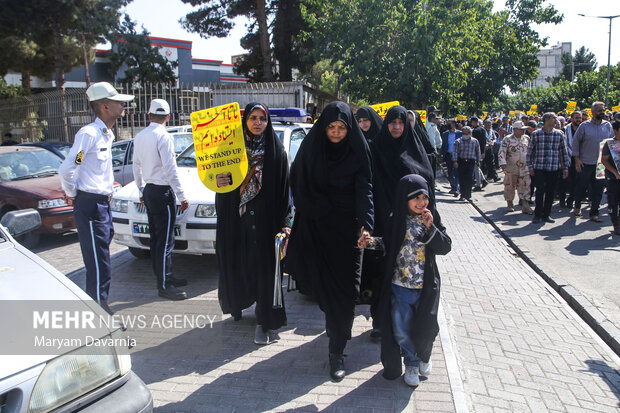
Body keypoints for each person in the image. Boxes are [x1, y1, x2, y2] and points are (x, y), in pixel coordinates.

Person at [287, 101, 373, 381]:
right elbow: (298, 183)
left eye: (341, 128)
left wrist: (366, 225)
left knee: (347, 293)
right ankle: (334, 328)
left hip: (349, 234)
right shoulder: (312, 150)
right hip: (318, 229)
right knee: (325, 293)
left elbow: (365, 189)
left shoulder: (358, 152)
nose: (336, 133)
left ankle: (337, 349)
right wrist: (320, 208)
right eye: (331, 128)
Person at [215, 102, 292, 345]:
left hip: (266, 222)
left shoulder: (276, 152)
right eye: (253, 118)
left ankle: (264, 321)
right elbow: (221, 188)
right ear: (244, 121)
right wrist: (220, 180)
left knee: (265, 273)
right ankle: (238, 305)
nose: (258, 123)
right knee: (240, 266)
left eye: (263, 118)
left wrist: (285, 222)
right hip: (238, 220)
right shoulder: (230, 151)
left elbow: (283, 192)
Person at [59, 82, 135, 314]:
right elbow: (69, 168)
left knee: (102, 256)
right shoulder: (89, 134)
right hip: (90, 204)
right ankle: (97, 308)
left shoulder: (105, 134)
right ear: (104, 106)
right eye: (118, 102)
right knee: (97, 259)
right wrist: (73, 194)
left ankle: (99, 303)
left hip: (101, 203)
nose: (123, 105)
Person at [377, 174, 451, 386]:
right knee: (401, 330)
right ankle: (411, 362)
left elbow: (445, 247)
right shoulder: (395, 220)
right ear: (404, 199)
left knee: (426, 328)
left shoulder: (431, 218)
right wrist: (368, 243)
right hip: (400, 287)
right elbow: (386, 245)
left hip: (426, 287)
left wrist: (431, 228)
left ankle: (424, 356)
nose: (421, 203)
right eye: (415, 198)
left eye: (424, 197)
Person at [132, 99, 189, 301]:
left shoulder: (140, 136)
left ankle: (166, 276)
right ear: (168, 117)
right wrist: (181, 195)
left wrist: (141, 189)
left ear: (149, 116)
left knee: (156, 238)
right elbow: (170, 168)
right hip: (163, 191)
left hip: (149, 190)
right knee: (165, 241)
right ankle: (164, 285)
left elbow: (135, 165)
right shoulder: (163, 136)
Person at [571, 102, 614, 222]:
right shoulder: (584, 126)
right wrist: (577, 159)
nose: (602, 112)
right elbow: (576, 142)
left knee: (598, 190)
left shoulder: (607, 126)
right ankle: (577, 206)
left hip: (600, 165)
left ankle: (594, 213)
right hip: (585, 163)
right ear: (593, 111)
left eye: (603, 110)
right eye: (600, 110)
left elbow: (611, 142)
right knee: (581, 187)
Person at [526, 112, 569, 224]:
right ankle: (538, 214)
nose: (556, 120)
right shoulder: (536, 134)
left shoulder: (559, 135)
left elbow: (563, 152)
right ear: (547, 119)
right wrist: (530, 167)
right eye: (554, 118)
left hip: (553, 168)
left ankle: (547, 214)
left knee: (550, 192)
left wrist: (565, 168)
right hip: (539, 167)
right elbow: (530, 152)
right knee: (540, 191)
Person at [498, 121, 533, 214]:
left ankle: (525, 205)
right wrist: (502, 163)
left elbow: (530, 151)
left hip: (524, 168)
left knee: (525, 186)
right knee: (510, 185)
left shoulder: (526, 138)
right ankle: (510, 203)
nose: (523, 131)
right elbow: (502, 152)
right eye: (522, 130)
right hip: (511, 167)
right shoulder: (507, 139)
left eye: (524, 130)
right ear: (515, 130)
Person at [601, 121, 620, 235]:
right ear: (616, 130)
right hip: (613, 178)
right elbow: (604, 160)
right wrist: (615, 173)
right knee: (613, 202)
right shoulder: (610, 144)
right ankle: (616, 225)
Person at [561, 111, 583, 208]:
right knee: (567, 182)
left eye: (579, 118)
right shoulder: (565, 129)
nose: (578, 119)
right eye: (576, 118)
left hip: (581, 158)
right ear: (571, 118)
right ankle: (563, 199)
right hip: (567, 158)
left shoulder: (584, 129)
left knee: (579, 182)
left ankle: (571, 199)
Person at [453, 126, 481, 201]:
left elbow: (478, 152)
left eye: (466, 133)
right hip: (461, 161)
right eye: (463, 133)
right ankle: (462, 194)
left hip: (470, 162)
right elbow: (455, 152)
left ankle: (468, 195)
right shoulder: (458, 141)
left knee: (470, 179)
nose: (465, 135)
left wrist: (478, 161)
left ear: (470, 133)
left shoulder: (475, 141)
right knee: (462, 179)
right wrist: (455, 161)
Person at [441, 119, 462, 195]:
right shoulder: (445, 134)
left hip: (457, 156)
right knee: (450, 172)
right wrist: (443, 156)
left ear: (453, 124)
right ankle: (453, 187)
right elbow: (444, 145)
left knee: (456, 172)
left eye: (449, 124)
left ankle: (457, 188)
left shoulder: (460, 133)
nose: (448, 125)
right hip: (448, 155)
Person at [470, 117, 488, 190]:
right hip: (481, 150)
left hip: (475, 151)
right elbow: (484, 141)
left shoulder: (474, 131)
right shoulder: (483, 129)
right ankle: (483, 180)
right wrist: (483, 151)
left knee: (476, 167)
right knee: (477, 166)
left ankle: (478, 184)